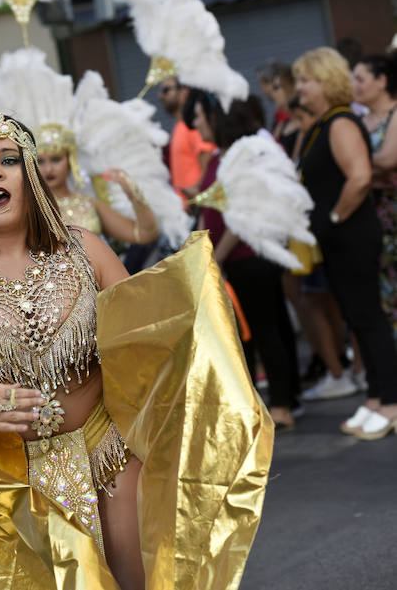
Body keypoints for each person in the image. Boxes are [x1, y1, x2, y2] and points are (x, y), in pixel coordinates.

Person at [0, 106, 272, 589]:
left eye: (9, 160)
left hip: (111, 457)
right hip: (7, 488)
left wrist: (197, 315)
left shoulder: (83, 249)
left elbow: (147, 347)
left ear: (31, 175)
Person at [294, 47, 397, 439]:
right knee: (356, 319)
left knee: (369, 319)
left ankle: (391, 402)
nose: (299, 88)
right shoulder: (322, 124)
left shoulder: (340, 122)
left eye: (305, 80)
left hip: (352, 235)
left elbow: (360, 176)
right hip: (336, 239)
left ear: (325, 82)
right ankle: (375, 396)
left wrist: (335, 217)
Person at [189, 92, 302, 430]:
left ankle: (282, 404)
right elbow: (207, 207)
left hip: (247, 257)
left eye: (201, 117)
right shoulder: (217, 157)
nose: (197, 123)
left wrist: (216, 257)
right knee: (243, 335)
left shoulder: (242, 156)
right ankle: (261, 402)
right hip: (227, 259)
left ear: (219, 120)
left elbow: (240, 217)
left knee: (264, 330)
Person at [35, 127, 158, 245]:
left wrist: (132, 192)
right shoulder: (30, 210)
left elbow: (145, 234)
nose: (48, 169)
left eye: (56, 159)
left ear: (70, 161)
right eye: (40, 161)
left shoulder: (88, 204)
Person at [354, 52, 397, 338]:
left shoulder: (395, 114)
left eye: (360, 79)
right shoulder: (359, 120)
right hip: (369, 222)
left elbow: (389, 159)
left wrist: (356, 164)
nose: (354, 86)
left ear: (382, 80)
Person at [158, 76, 215, 201]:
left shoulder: (193, 126)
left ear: (184, 92)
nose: (160, 95)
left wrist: (197, 196)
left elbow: (209, 165)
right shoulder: (180, 126)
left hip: (198, 206)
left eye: (166, 90)